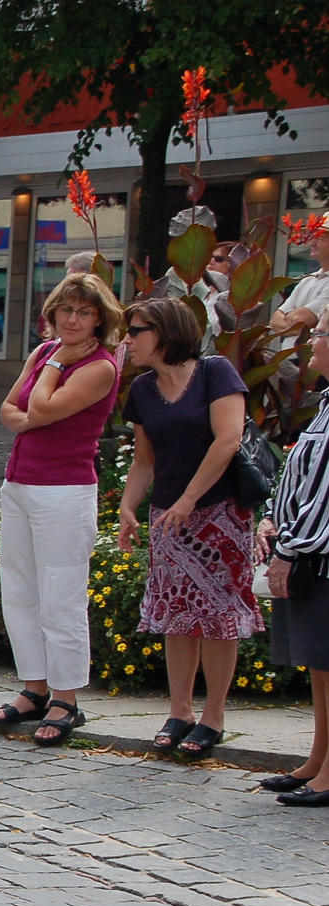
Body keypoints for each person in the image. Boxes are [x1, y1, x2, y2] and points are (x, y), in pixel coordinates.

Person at [117, 297, 260, 759]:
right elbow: (144, 459)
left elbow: (228, 439)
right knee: (175, 615)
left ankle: (213, 716)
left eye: (136, 330)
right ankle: (179, 711)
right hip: (169, 517)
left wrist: (189, 500)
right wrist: (128, 507)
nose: (128, 341)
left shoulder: (215, 372)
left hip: (220, 513)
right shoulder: (141, 390)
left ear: (165, 332)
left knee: (219, 617)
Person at [0, 273, 122, 746]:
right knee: (21, 591)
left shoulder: (100, 366)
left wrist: (51, 373)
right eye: (66, 309)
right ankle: (34, 686)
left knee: (61, 594)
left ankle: (66, 697)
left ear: (99, 320)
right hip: (20, 483)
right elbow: (9, 409)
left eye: (84, 312)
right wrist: (35, 404)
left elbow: (41, 408)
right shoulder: (44, 352)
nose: (72, 319)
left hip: (65, 490)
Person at [258, 323, 329, 804]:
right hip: (311, 554)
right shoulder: (325, 402)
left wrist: (289, 547)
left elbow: (326, 496)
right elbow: (300, 479)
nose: (312, 341)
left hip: (319, 557)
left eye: (321, 334)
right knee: (320, 668)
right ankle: (318, 758)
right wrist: (271, 519)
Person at [271, 224, 329, 339]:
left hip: (312, 355)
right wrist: (304, 328)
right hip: (289, 355)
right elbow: (274, 321)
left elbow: (300, 319)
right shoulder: (307, 280)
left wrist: (287, 317)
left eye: (320, 238)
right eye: (313, 237)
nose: (312, 243)